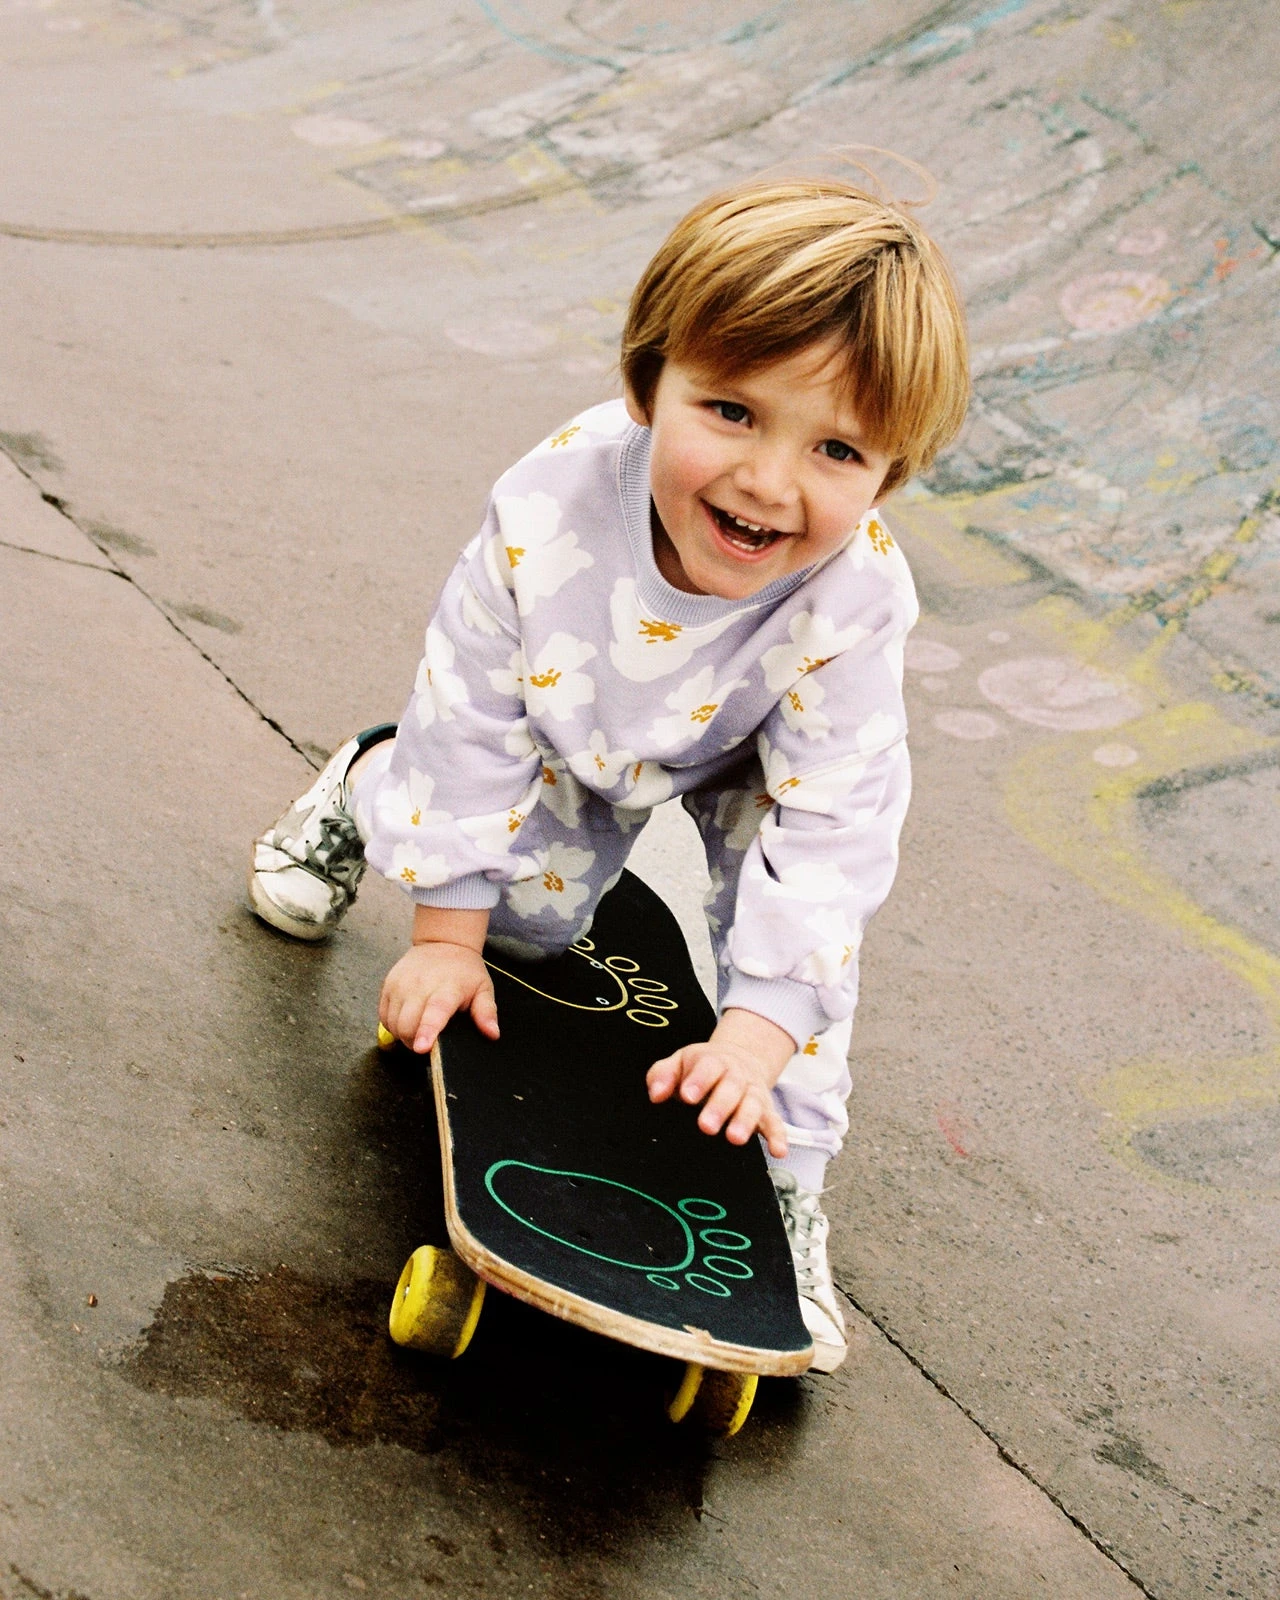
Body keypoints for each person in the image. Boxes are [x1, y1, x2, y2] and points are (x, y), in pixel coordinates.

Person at [248, 176, 968, 1371]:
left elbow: (833, 832)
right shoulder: (551, 510)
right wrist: (443, 934)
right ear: (649, 383)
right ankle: (366, 785)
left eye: (836, 448)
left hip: (758, 748)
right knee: (523, 927)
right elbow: (472, 711)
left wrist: (755, 1034)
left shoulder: (854, 598)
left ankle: (783, 1194)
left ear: (887, 478)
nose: (768, 482)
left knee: (799, 997)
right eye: (731, 413)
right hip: (569, 710)